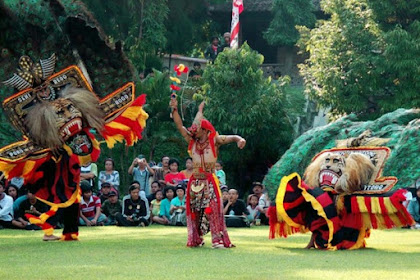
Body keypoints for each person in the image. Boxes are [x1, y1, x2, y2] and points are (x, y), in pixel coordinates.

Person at [170, 98, 246, 248]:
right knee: (194, 211)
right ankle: (196, 239)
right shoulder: (191, 141)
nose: (194, 131)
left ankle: (217, 240)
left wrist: (240, 139)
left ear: (205, 130)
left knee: (213, 209)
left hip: (210, 180)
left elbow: (231, 137)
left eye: (197, 129)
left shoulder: (214, 141)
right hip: (195, 182)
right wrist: (175, 110)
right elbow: (179, 126)